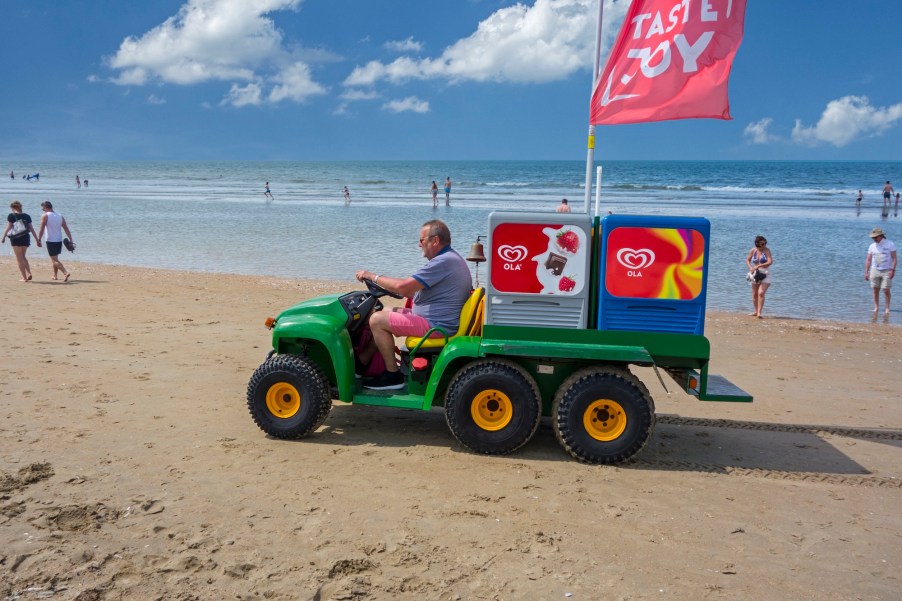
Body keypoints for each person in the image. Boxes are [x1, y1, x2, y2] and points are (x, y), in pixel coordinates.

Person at [354, 219, 472, 390]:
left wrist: (372, 276)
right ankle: (363, 363)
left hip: (435, 325)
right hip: (436, 319)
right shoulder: (450, 259)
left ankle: (392, 376)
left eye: (422, 240)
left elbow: (403, 287)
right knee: (380, 310)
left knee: (377, 320)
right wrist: (391, 287)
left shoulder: (443, 262)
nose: (419, 245)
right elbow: (410, 291)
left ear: (435, 240)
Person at [1, 200, 42, 281]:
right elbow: (32, 229)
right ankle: (29, 273)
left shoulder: (11, 216)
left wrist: (3, 237)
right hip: (26, 238)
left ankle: (24, 278)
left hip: (16, 239)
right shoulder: (27, 216)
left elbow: (8, 227)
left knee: (19, 258)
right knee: (23, 256)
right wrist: (37, 240)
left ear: (13, 207)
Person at [37, 200, 74, 282]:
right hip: (59, 240)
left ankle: (65, 272)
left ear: (45, 208)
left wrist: (38, 239)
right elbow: (66, 229)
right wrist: (71, 239)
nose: (43, 210)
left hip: (50, 240)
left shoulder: (45, 216)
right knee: (55, 258)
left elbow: (41, 229)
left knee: (54, 260)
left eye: (43, 209)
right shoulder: (60, 216)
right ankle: (55, 275)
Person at [865, 227, 896, 315]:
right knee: (875, 289)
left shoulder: (890, 244)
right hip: (874, 269)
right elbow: (868, 259)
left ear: (881, 236)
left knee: (886, 289)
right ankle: (876, 307)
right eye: (872, 237)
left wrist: (893, 270)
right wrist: (866, 272)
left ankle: (887, 308)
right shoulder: (872, 246)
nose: (874, 239)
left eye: (875, 237)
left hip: (887, 270)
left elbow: (894, 258)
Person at [745, 235, 773, 318]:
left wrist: (758, 265)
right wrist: (750, 267)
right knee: (754, 294)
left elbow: (770, 262)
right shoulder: (753, 250)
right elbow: (747, 260)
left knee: (761, 293)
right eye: (762, 244)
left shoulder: (767, 250)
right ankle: (756, 311)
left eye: (765, 243)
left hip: (765, 273)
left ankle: (759, 313)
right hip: (755, 273)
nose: (764, 245)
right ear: (757, 244)